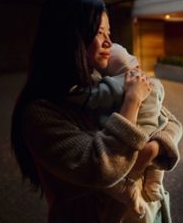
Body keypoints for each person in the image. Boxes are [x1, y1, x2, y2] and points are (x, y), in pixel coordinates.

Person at [10, 0, 182, 223]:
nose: (109, 43)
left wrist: (151, 149)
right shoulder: (40, 113)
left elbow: (171, 121)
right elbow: (103, 167)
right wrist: (132, 101)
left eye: (108, 32)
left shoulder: (102, 84)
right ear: (70, 37)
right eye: (99, 32)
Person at [67, 43, 168, 218]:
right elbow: (164, 110)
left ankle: (130, 187)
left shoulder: (117, 83)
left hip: (133, 136)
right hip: (154, 129)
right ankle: (154, 182)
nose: (106, 39)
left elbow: (93, 97)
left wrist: (76, 94)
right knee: (155, 164)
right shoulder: (152, 81)